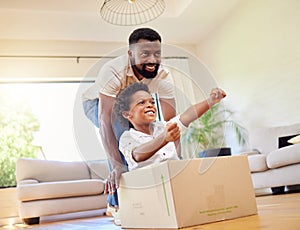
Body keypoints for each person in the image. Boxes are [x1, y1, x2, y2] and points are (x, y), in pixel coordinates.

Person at [81, 28, 177, 220]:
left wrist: (177, 160)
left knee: (154, 137)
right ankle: (117, 204)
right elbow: (106, 121)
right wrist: (117, 164)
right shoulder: (113, 71)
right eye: (145, 54)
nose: (152, 60)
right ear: (131, 54)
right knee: (124, 137)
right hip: (96, 104)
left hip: (130, 105)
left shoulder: (163, 76)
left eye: (157, 54)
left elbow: (171, 124)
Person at [113, 82, 226, 171]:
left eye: (152, 102)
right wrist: (164, 138)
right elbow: (137, 155)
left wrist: (211, 101)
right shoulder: (127, 138)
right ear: (127, 114)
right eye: (141, 103)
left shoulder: (163, 126)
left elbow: (188, 115)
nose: (149, 105)